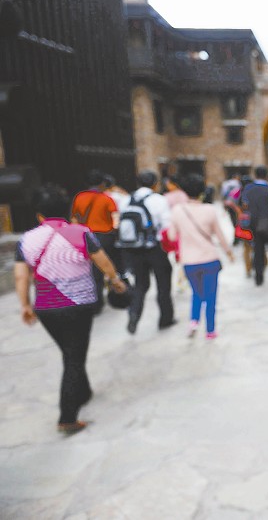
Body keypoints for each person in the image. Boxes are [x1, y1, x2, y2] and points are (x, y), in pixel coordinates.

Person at [15, 184, 127, 434]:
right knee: (74, 357)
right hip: (79, 305)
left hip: (46, 308)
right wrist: (115, 280)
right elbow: (103, 262)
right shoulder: (81, 233)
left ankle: (83, 391)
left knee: (70, 351)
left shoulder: (26, 239)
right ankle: (67, 417)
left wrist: (24, 305)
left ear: (39, 214)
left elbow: (21, 277)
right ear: (66, 211)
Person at [167, 174, 234, 339]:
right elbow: (220, 236)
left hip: (189, 260)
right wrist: (229, 253)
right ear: (202, 191)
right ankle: (210, 330)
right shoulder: (209, 210)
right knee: (210, 297)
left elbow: (172, 236)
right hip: (209, 258)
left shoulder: (177, 210)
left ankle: (194, 321)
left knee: (197, 293)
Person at [121, 169, 176, 334]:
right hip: (155, 248)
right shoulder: (159, 200)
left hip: (133, 249)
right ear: (155, 183)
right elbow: (166, 226)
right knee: (163, 284)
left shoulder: (126, 200)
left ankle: (134, 314)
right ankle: (165, 319)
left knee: (140, 284)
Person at [70, 169, 119, 315]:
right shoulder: (107, 198)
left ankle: (90, 298)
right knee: (102, 267)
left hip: (84, 236)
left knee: (88, 268)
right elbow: (116, 219)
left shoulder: (79, 197)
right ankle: (99, 300)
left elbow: (74, 219)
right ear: (102, 183)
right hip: (105, 236)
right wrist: (115, 231)